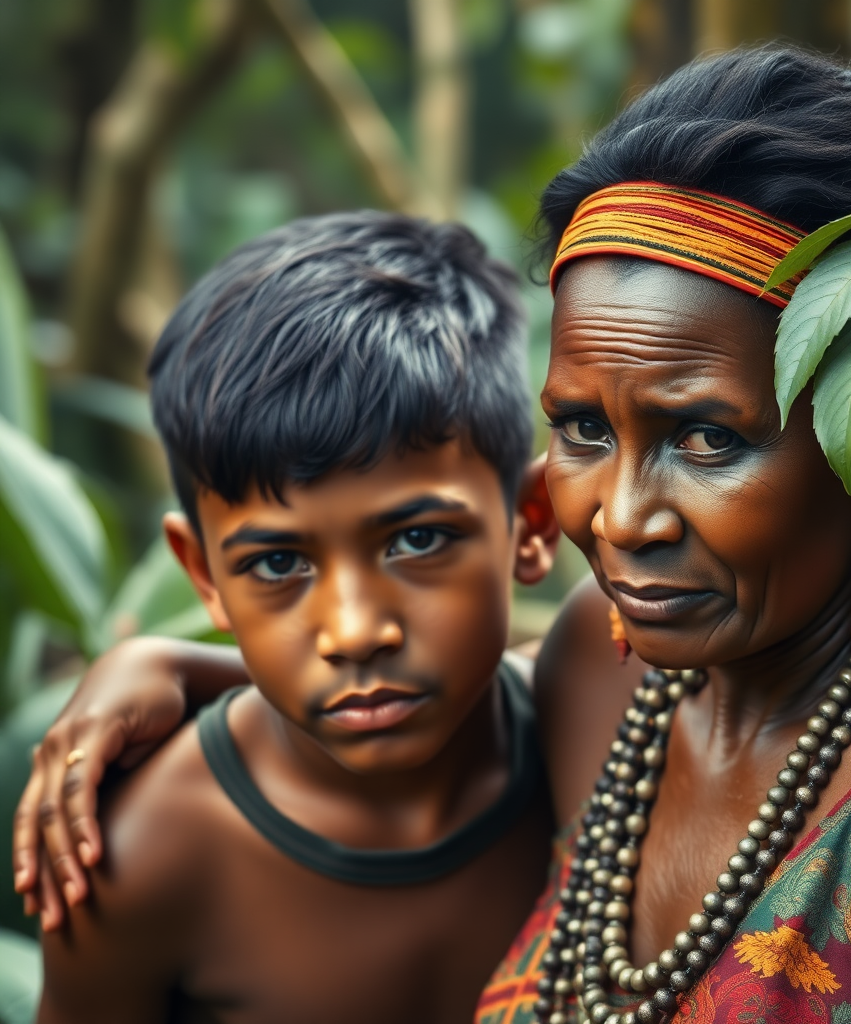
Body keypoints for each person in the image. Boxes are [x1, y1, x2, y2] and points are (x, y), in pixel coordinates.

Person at [15, 46, 851, 1024]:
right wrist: (170, 667)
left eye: (708, 436)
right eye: (584, 428)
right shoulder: (609, 658)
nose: (621, 519)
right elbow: (406, 689)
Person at [27, 211, 560, 1023]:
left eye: (417, 540)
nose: (353, 632)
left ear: (530, 522)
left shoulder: (594, 740)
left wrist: (173, 663)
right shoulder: (146, 854)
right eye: (277, 564)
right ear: (203, 575)